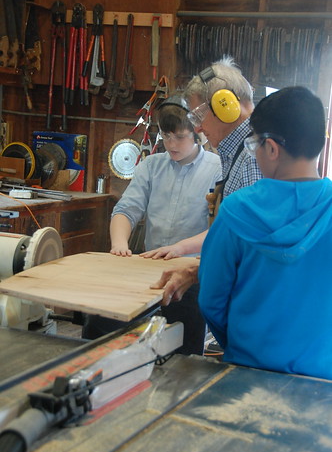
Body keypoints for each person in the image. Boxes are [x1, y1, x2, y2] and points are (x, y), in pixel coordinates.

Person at [198, 86, 332, 380]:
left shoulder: (234, 211)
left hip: (247, 372)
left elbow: (211, 301)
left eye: (254, 144)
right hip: (323, 380)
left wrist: (238, 345)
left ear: (271, 148)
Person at [82, 94, 223, 353]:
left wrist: (180, 248)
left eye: (179, 136)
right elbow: (126, 209)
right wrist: (120, 245)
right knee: (102, 329)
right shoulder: (151, 165)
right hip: (148, 270)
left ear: (197, 134)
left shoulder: (218, 168)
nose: (171, 144)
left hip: (191, 275)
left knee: (182, 351)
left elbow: (220, 230)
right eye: (166, 136)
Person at [146, 57, 262, 305]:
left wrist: (195, 271)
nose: (197, 129)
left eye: (199, 116)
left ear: (226, 106)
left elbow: (252, 245)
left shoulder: (252, 156)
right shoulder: (237, 153)